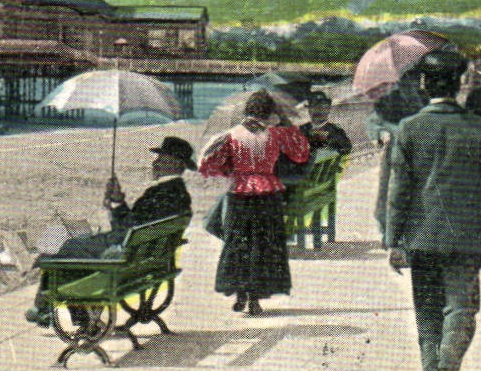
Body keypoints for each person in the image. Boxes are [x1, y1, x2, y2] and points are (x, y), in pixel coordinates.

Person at [385, 53, 481, 371]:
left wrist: (394, 240)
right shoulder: (480, 128)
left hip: (420, 238)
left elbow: (398, 192)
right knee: (462, 311)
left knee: (427, 318)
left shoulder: (407, 129)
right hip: (467, 238)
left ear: (424, 86)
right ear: (460, 84)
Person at [25, 137, 196, 326]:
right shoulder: (178, 194)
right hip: (143, 262)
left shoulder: (161, 193)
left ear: (175, 164)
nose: (154, 163)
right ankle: (50, 309)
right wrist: (118, 201)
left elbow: (125, 228)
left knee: (69, 249)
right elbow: (135, 226)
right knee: (73, 248)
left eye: (161, 159)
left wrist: (116, 205)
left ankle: (51, 309)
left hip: (124, 257)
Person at [201, 90, 311, 316]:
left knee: (237, 243)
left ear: (246, 111)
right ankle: (255, 298)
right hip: (268, 193)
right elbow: (301, 154)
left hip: (238, 192)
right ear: (269, 113)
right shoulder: (276, 134)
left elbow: (206, 164)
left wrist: (230, 170)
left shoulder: (230, 135)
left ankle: (241, 293)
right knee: (262, 245)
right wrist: (285, 125)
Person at [366, 64, 430, 242]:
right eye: (408, 79)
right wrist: (380, 133)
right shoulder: (389, 100)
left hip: (419, 155)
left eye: (416, 79)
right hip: (394, 153)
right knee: (389, 193)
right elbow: (373, 122)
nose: (412, 84)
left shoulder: (425, 100)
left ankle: (413, 235)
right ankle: (388, 231)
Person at [299, 91, 353, 156]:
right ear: (309, 109)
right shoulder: (302, 129)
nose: (318, 110)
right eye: (314, 107)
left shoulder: (335, 131)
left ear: (328, 109)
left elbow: (347, 148)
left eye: (323, 107)